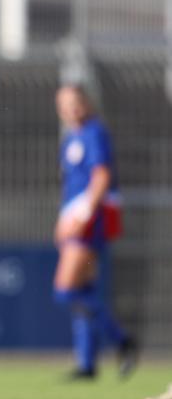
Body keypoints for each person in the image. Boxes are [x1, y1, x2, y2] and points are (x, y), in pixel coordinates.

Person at [52, 85, 136, 379]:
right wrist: (63, 219)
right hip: (75, 215)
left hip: (91, 219)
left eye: (75, 102)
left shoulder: (94, 132)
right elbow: (72, 185)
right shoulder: (70, 139)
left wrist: (82, 215)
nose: (70, 108)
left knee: (65, 290)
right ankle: (87, 363)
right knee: (84, 290)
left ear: (87, 103)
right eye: (63, 104)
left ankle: (122, 340)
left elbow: (101, 176)